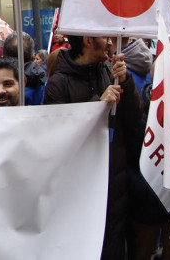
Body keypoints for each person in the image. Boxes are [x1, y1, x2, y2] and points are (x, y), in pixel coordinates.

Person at [45, 34, 141, 260]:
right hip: (79, 193)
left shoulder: (108, 72)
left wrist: (126, 82)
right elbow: (56, 139)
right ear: (89, 41)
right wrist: (97, 107)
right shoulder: (58, 83)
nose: (110, 43)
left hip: (114, 188)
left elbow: (133, 118)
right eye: (105, 38)